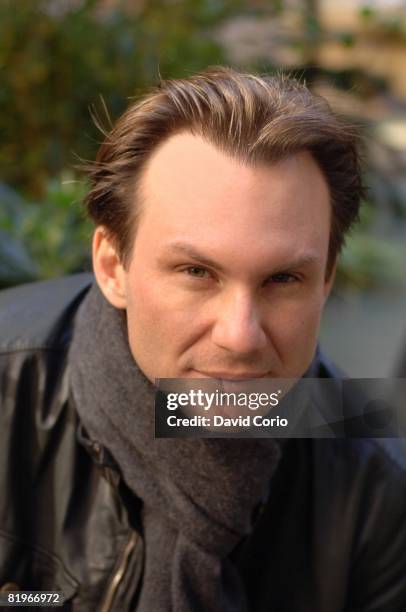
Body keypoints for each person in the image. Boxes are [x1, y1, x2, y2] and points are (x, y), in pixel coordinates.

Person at [0, 66, 405, 612]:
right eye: (196, 272)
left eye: (283, 279)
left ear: (326, 281)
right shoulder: (8, 393)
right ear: (113, 265)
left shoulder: (377, 486)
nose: (240, 336)